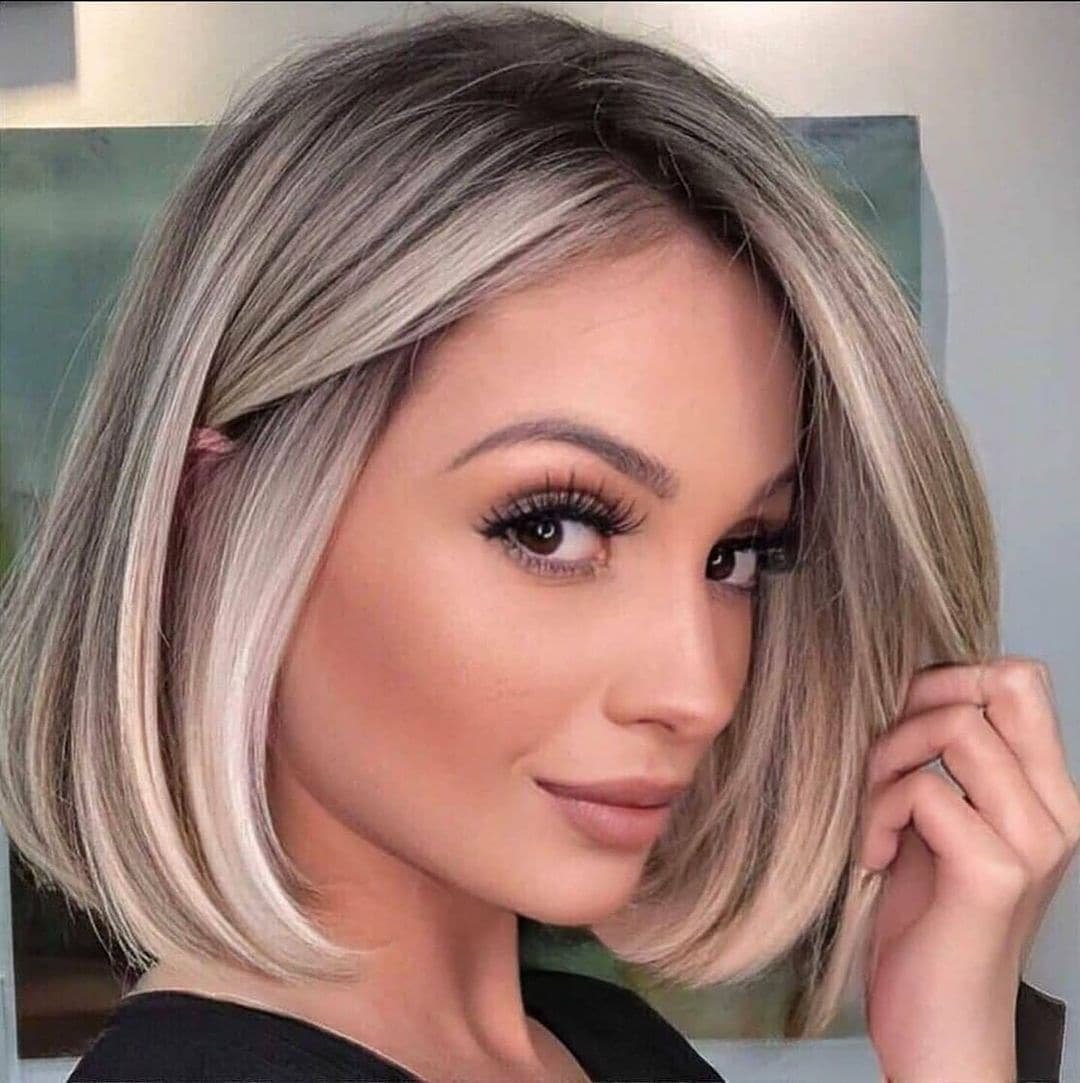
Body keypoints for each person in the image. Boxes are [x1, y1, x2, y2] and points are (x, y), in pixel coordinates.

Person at [0, 8, 1073, 1082]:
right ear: (215, 516)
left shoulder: (605, 1043)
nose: (699, 692)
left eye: (740, 553)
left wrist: (953, 1038)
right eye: (553, 527)